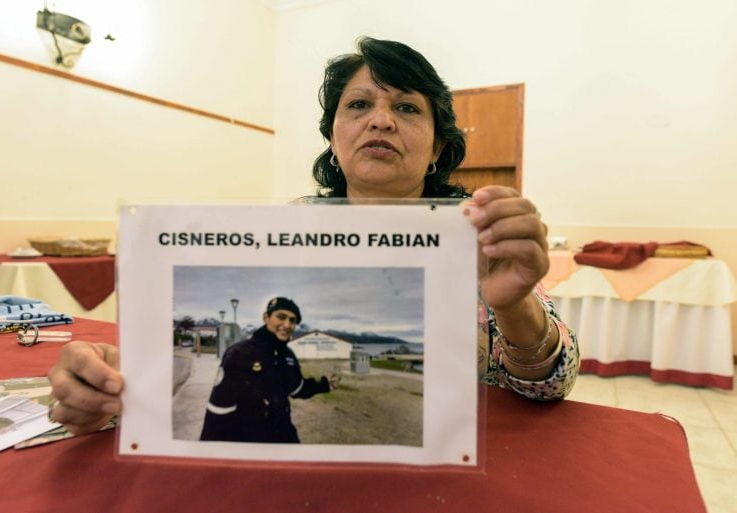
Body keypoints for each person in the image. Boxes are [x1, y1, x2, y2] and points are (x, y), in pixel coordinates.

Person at [47, 36, 579, 436]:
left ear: (439, 147)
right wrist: (118, 379)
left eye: (407, 108)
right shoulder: (280, 232)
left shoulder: (477, 234)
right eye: (359, 105)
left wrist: (515, 310)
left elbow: (552, 386)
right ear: (333, 135)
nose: (381, 121)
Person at [200, 297, 337, 443]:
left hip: (284, 437)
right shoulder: (239, 354)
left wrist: (324, 385)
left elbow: (297, 388)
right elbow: (218, 411)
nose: (287, 324)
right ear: (266, 317)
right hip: (249, 442)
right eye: (281, 317)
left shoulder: (288, 356)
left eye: (292, 320)